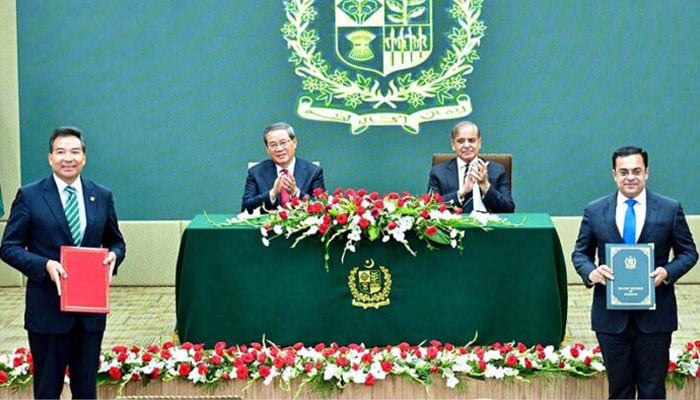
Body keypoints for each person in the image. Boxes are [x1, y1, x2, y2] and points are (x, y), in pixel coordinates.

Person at [0, 127, 126, 399]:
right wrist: (44, 265)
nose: (68, 158)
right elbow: (8, 247)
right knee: (47, 390)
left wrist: (114, 256)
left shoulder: (101, 195)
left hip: (89, 315)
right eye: (61, 152)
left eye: (74, 152)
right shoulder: (30, 195)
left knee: (86, 390)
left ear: (84, 157)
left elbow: (117, 241)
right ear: (50, 158)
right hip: (47, 312)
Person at [572, 145, 697, 399]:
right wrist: (592, 272)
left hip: (655, 317)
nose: (631, 177)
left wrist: (667, 272)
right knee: (619, 389)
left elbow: (689, 253)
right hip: (610, 319)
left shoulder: (670, 209)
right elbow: (580, 254)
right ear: (614, 175)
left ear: (647, 173)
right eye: (624, 171)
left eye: (637, 171)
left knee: (652, 388)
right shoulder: (595, 210)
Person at [427, 120, 514, 213]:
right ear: (453, 144)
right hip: (455, 225)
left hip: (488, 224)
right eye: (460, 141)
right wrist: (461, 193)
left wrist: (485, 186)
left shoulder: (497, 170)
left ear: (479, 143)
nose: (467, 145)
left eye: (471, 140)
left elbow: (508, 209)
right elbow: (430, 207)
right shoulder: (438, 172)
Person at [241, 122, 325, 213]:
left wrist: (295, 193)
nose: (279, 149)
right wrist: (272, 193)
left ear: (295, 142)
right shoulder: (256, 173)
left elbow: (322, 207)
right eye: (273, 145)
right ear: (267, 149)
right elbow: (246, 208)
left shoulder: (313, 172)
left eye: (283, 143)